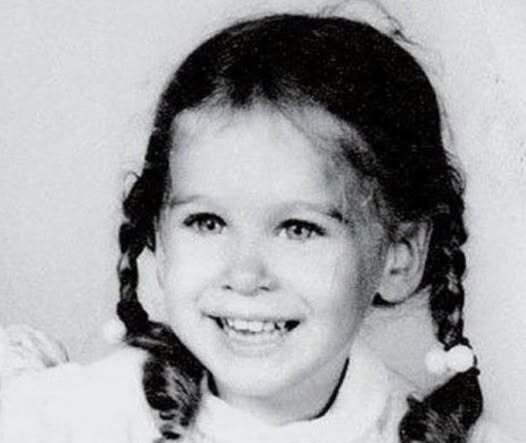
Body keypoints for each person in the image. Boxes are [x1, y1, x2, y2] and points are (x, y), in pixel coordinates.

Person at [0, 9, 518, 443]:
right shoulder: (82, 419)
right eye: (207, 222)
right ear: (157, 232)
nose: (245, 276)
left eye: (298, 229)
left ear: (399, 255)